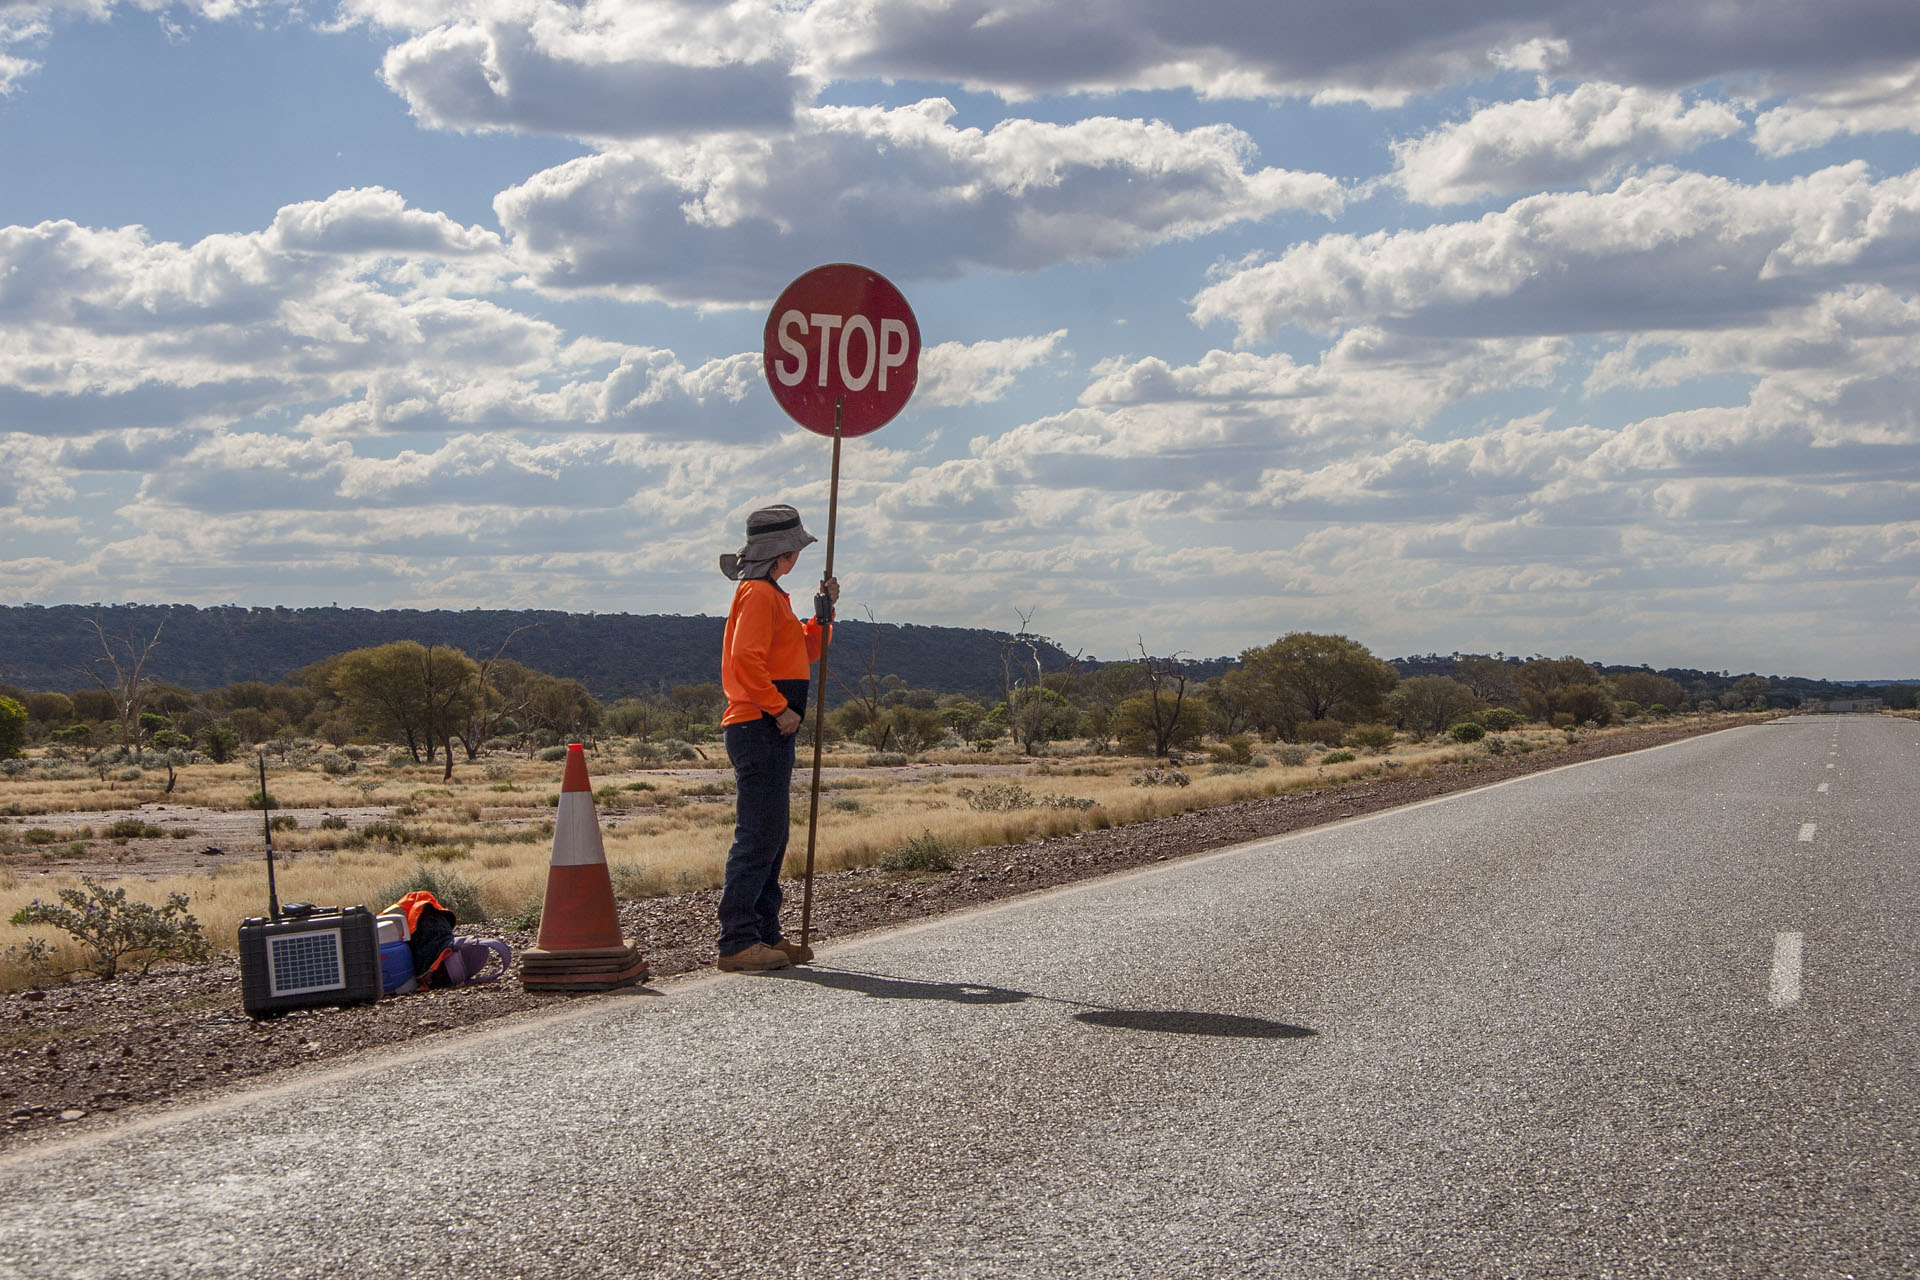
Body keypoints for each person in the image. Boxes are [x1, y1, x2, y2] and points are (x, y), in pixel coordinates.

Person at [714, 504, 839, 972]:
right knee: (758, 834)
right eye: (794, 550)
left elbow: (804, 652)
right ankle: (738, 940)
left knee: (773, 834)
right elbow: (746, 661)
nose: (798, 557)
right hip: (758, 724)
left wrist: (822, 616)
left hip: (767, 724)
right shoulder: (759, 594)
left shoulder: (773, 595)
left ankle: (764, 935)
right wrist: (779, 708)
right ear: (784, 554)